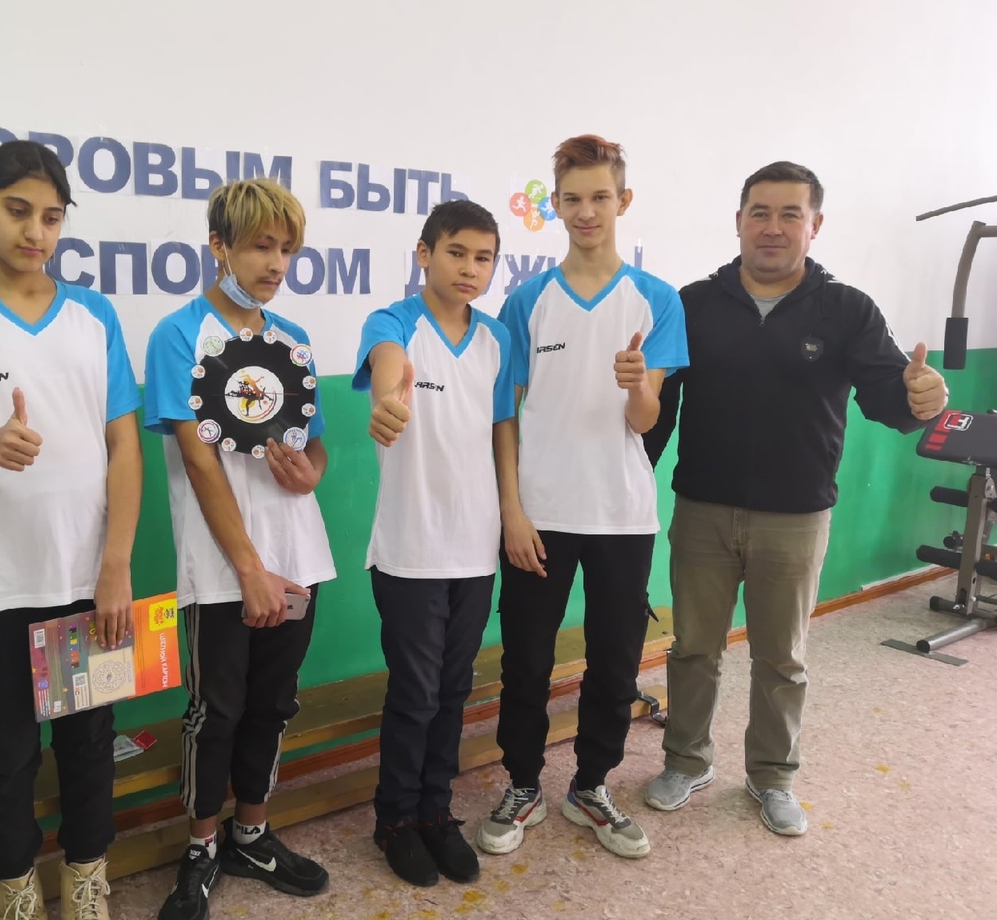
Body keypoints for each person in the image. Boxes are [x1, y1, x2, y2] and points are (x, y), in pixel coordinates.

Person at [642, 160, 948, 836]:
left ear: (815, 225)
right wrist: (632, 483)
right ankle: (686, 761)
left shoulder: (847, 309)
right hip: (702, 510)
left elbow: (889, 396)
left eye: (790, 214)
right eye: (760, 212)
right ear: (739, 221)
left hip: (798, 516)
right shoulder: (693, 304)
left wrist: (920, 399)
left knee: (782, 656)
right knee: (694, 648)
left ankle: (772, 776)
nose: (773, 227)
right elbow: (657, 411)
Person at [0, 140, 143, 920]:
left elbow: (124, 446)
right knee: (6, 751)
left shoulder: (94, 315)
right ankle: (15, 890)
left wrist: (115, 566)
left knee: (90, 743)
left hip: (88, 579)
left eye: (52, 217)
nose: (35, 232)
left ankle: (86, 879)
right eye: (18, 211)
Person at [477, 134, 688, 861]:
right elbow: (505, 415)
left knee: (615, 662)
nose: (587, 211)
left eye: (601, 197)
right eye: (573, 199)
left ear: (623, 201)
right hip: (539, 513)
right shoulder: (527, 300)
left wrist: (636, 386)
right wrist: (511, 510)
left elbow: (646, 421)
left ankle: (591, 786)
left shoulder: (656, 300)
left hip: (622, 515)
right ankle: (523, 785)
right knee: (526, 661)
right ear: (556, 207)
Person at [143, 179, 334, 920]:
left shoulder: (293, 340)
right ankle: (200, 848)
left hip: (301, 554)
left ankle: (251, 835)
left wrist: (310, 471)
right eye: (260, 246)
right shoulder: (178, 336)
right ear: (218, 246)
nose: (275, 263)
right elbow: (199, 462)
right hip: (223, 571)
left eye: (286, 249)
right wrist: (249, 568)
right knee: (214, 712)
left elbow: (315, 449)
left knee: (273, 705)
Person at [355, 200, 514, 887]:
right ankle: (394, 818)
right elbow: (389, 371)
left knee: (453, 690)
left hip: (475, 547)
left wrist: (512, 512)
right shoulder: (393, 323)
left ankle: (435, 812)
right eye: (456, 253)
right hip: (410, 550)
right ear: (425, 254)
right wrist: (388, 403)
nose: (470, 268)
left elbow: (503, 430)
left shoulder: (496, 339)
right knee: (416, 693)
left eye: (483, 257)